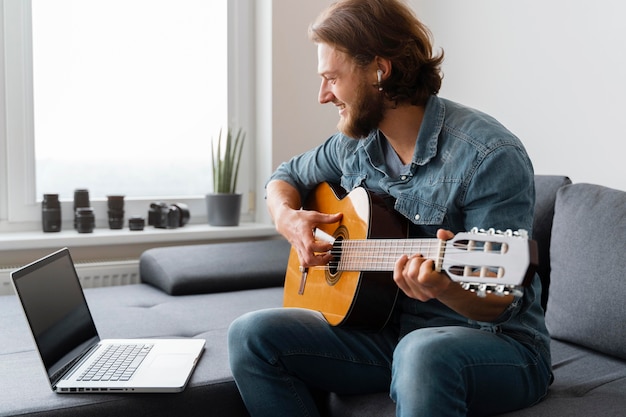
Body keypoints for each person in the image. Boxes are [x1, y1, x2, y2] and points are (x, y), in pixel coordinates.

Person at [227, 0, 552, 416]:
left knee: (422, 352)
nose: (323, 95)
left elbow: (500, 300)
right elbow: (284, 177)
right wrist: (288, 219)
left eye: (332, 78)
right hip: (390, 334)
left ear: (379, 70)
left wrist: (444, 287)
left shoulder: (488, 154)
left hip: (497, 346)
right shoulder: (355, 143)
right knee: (251, 333)